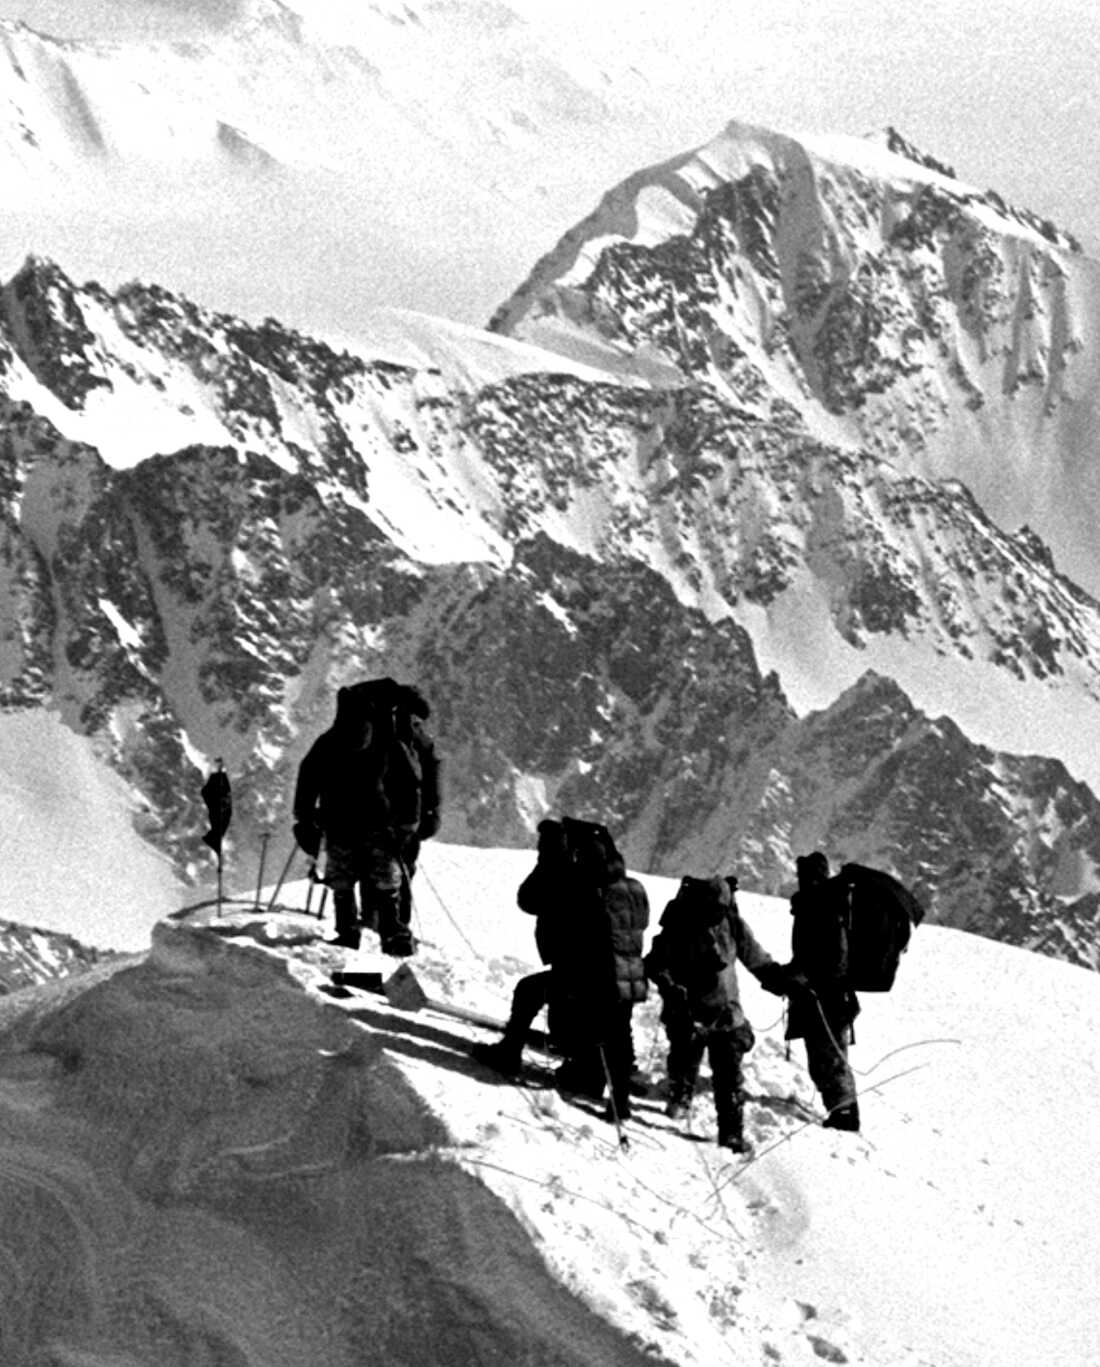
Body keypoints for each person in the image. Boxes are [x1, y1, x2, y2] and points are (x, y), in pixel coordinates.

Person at [293, 677, 441, 956]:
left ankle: (348, 933)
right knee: (386, 881)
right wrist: (409, 823)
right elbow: (410, 781)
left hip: (338, 821)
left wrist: (304, 819)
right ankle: (393, 933)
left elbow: (308, 777)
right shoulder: (390, 739)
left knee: (342, 879)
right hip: (379, 822)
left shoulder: (329, 740)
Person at [645, 875, 788, 1153]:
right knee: (686, 1061)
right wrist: (670, 987)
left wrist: (779, 980)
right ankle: (680, 1098)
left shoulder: (731, 924)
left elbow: (755, 957)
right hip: (689, 1012)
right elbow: (655, 963)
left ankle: (731, 1133)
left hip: (725, 1013)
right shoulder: (680, 925)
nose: (716, 914)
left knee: (728, 1074)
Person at [553, 817, 649, 1124]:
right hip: (631, 971)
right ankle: (619, 1098)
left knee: (599, 1032)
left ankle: (598, 1087)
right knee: (619, 1035)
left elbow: (586, 936)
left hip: (603, 974)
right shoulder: (635, 888)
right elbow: (641, 923)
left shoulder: (594, 891)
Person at [472, 819, 572, 1078]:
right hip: (597, 966)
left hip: (574, 965)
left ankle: (509, 1053)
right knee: (561, 1005)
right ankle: (584, 1065)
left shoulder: (556, 868)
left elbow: (528, 899)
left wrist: (544, 863)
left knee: (529, 991)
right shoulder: (589, 872)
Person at [784, 851, 861, 1131]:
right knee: (825, 1057)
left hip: (825, 997)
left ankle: (844, 1114)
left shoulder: (822, 907)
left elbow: (833, 957)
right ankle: (842, 1110)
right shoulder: (820, 905)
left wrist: (804, 976)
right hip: (827, 996)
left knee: (829, 1057)